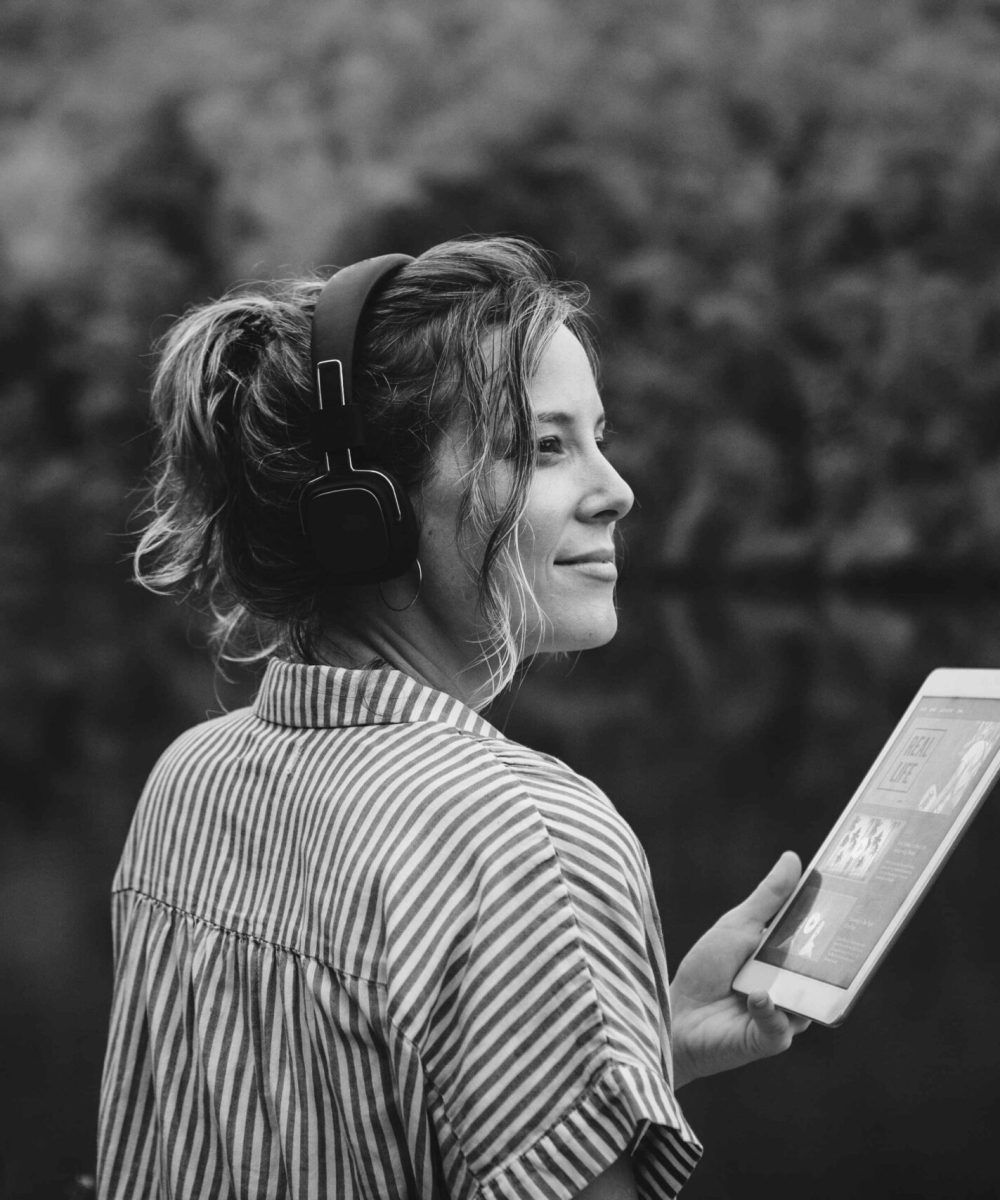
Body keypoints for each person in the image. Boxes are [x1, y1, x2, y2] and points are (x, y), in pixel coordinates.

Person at [97, 236, 808, 1200]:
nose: (617, 490)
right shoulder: (528, 836)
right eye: (545, 447)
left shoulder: (191, 777)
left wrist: (644, 1046)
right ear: (369, 509)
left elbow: (333, 1123)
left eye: (599, 436)